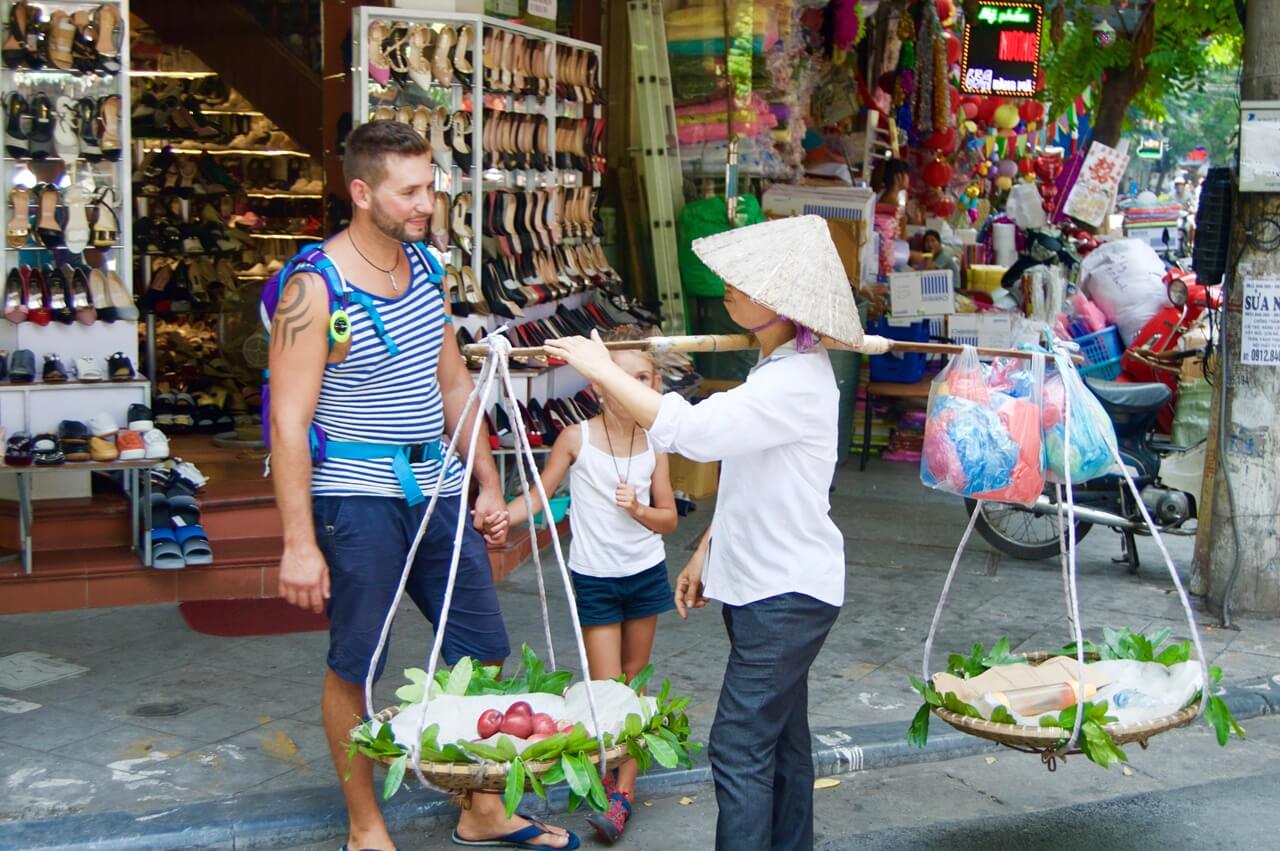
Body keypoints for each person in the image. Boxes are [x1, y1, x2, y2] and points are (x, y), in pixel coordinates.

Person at [268, 120, 577, 851]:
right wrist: (298, 543)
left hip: (435, 486)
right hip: (356, 495)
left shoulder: (428, 269)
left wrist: (489, 480)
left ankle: (479, 806)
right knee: (356, 665)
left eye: (430, 183)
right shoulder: (315, 287)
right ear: (361, 190)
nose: (426, 200)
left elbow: (452, 383)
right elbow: (287, 422)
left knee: (482, 646)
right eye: (410, 189)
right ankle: (365, 824)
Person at [545, 215, 855, 851]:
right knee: (782, 748)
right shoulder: (779, 368)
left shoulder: (795, 378)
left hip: (786, 595)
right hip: (767, 587)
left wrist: (603, 371)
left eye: (746, 281)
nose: (728, 287)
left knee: (738, 748)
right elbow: (754, 479)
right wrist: (706, 551)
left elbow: (690, 432)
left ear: (783, 302)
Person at [505, 334, 678, 844]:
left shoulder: (655, 443)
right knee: (608, 693)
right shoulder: (575, 437)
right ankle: (611, 770)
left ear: (655, 385)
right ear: (599, 385)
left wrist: (639, 510)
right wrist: (499, 518)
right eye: (620, 376)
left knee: (635, 681)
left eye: (643, 378)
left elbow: (667, 518)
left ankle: (623, 792)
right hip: (596, 579)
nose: (631, 386)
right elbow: (538, 496)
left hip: (645, 574)